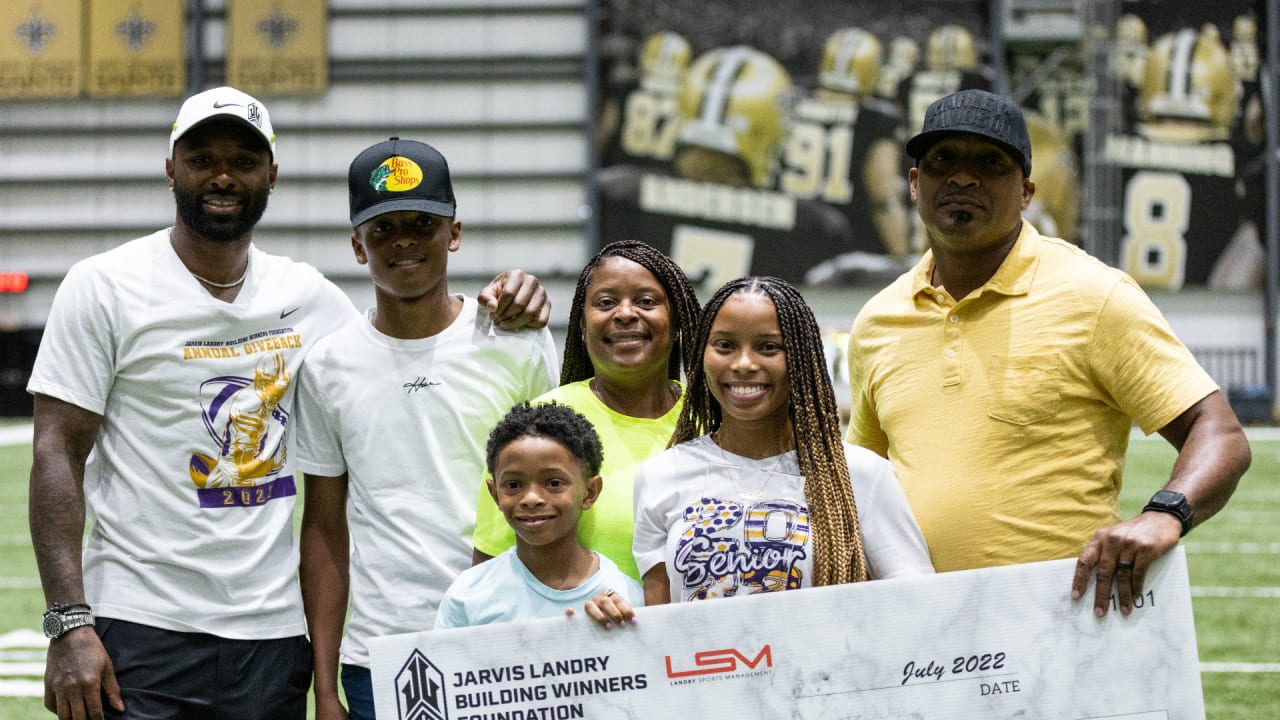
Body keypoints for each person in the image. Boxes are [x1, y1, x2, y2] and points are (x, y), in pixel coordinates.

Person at [26, 87, 549, 720]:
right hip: (142, 619)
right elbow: (56, 448)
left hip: (272, 636)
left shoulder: (309, 298)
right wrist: (68, 621)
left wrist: (508, 297)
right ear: (171, 167)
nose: (223, 176)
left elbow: (406, 334)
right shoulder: (103, 286)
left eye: (244, 161)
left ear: (270, 174)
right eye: (202, 159)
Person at [846, 89, 1252, 618]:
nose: (963, 178)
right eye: (943, 159)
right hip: (923, 633)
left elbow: (1218, 432)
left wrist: (1165, 513)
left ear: (1026, 193)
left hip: (1061, 624)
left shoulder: (1094, 296)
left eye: (990, 163)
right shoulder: (879, 319)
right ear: (915, 183)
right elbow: (864, 479)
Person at [295, 137, 560, 720]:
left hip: (507, 639)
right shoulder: (326, 365)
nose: (405, 240)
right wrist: (325, 686)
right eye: (383, 228)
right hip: (381, 653)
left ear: (455, 233)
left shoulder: (517, 342)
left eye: (423, 222)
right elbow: (323, 528)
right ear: (358, 246)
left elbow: (563, 493)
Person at [621, 276, 932, 609]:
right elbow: (659, 623)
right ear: (702, 356)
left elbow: (916, 603)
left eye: (768, 347)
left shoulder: (862, 475)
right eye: (725, 346)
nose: (743, 364)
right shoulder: (661, 475)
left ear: (801, 358)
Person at [473, 240, 701, 580]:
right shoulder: (538, 429)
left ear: (677, 320)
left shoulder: (714, 422)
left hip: (709, 632)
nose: (625, 314)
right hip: (580, 630)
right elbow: (487, 581)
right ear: (582, 324)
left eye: (646, 301)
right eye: (606, 302)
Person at [438, 402, 643, 629]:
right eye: (513, 485)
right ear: (494, 494)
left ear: (590, 492)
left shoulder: (627, 598)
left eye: (554, 483)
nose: (531, 498)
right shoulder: (467, 596)